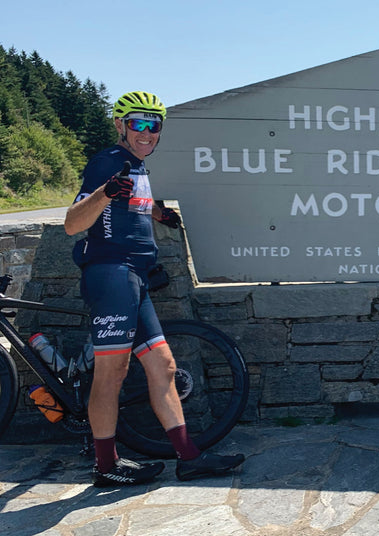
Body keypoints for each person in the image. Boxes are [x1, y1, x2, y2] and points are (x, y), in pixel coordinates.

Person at [64, 91, 245, 486]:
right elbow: (73, 223)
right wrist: (105, 192)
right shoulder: (108, 163)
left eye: (154, 125)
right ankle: (106, 466)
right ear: (120, 124)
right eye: (138, 124)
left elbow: (129, 206)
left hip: (135, 279)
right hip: (111, 275)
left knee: (163, 366)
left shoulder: (137, 166)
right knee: (112, 373)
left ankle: (189, 458)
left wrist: (158, 213)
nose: (147, 132)